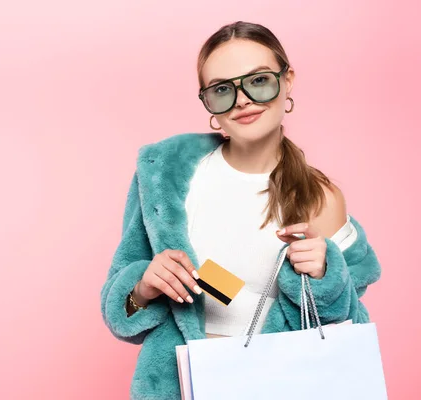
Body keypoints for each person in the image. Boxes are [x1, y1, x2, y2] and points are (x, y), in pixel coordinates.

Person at [100, 21, 381, 400]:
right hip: (178, 387)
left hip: (281, 387)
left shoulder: (320, 198)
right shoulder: (163, 174)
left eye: (258, 81)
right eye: (222, 90)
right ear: (207, 102)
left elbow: (347, 326)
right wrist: (144, 287)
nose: (243, 100)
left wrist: (325, 275)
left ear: (288, 81)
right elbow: (121, 312)